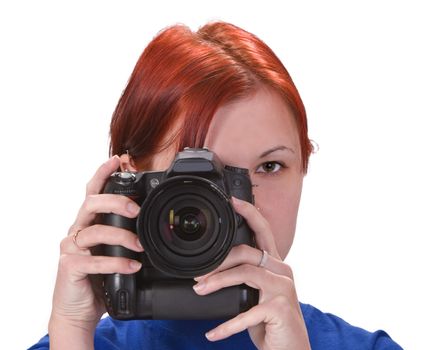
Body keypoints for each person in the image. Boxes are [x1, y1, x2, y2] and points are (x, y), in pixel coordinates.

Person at [29, 21, 402, 349]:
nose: (245, 204)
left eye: (271, 166)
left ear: (303, 167)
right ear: (132, 186)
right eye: (204, 179)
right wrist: (73, 331)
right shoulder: (71, 341)